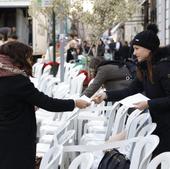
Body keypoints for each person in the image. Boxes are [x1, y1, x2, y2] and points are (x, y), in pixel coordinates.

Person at [0, 41, 90, 169]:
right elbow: (47, 103)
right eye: (28, 57)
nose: (30, 61)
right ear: (18, 58)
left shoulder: (4, 74)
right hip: (16, 137)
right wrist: (74, 103)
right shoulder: (17, 81)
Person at [92, 24, 170, 157]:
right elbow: (129, 91)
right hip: (157, 123)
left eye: (137, 49)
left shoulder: (163, 68)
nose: (134, 53)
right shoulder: (145, 68)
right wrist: (105, 95)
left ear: (149, 49)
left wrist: (149, 104)